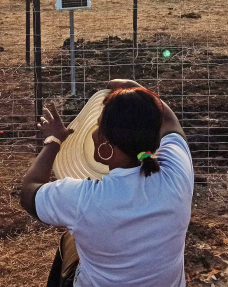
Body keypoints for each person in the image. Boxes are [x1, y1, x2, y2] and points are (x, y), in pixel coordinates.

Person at [20, 79, 194, 287]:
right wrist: (136, 91)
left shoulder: (83, 201)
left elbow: (28, 193)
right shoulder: (177, 177)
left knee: (69, 242)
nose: (92, 132)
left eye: (98, 125)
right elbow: (170, 123)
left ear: (106, 145)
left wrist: (53, 142)